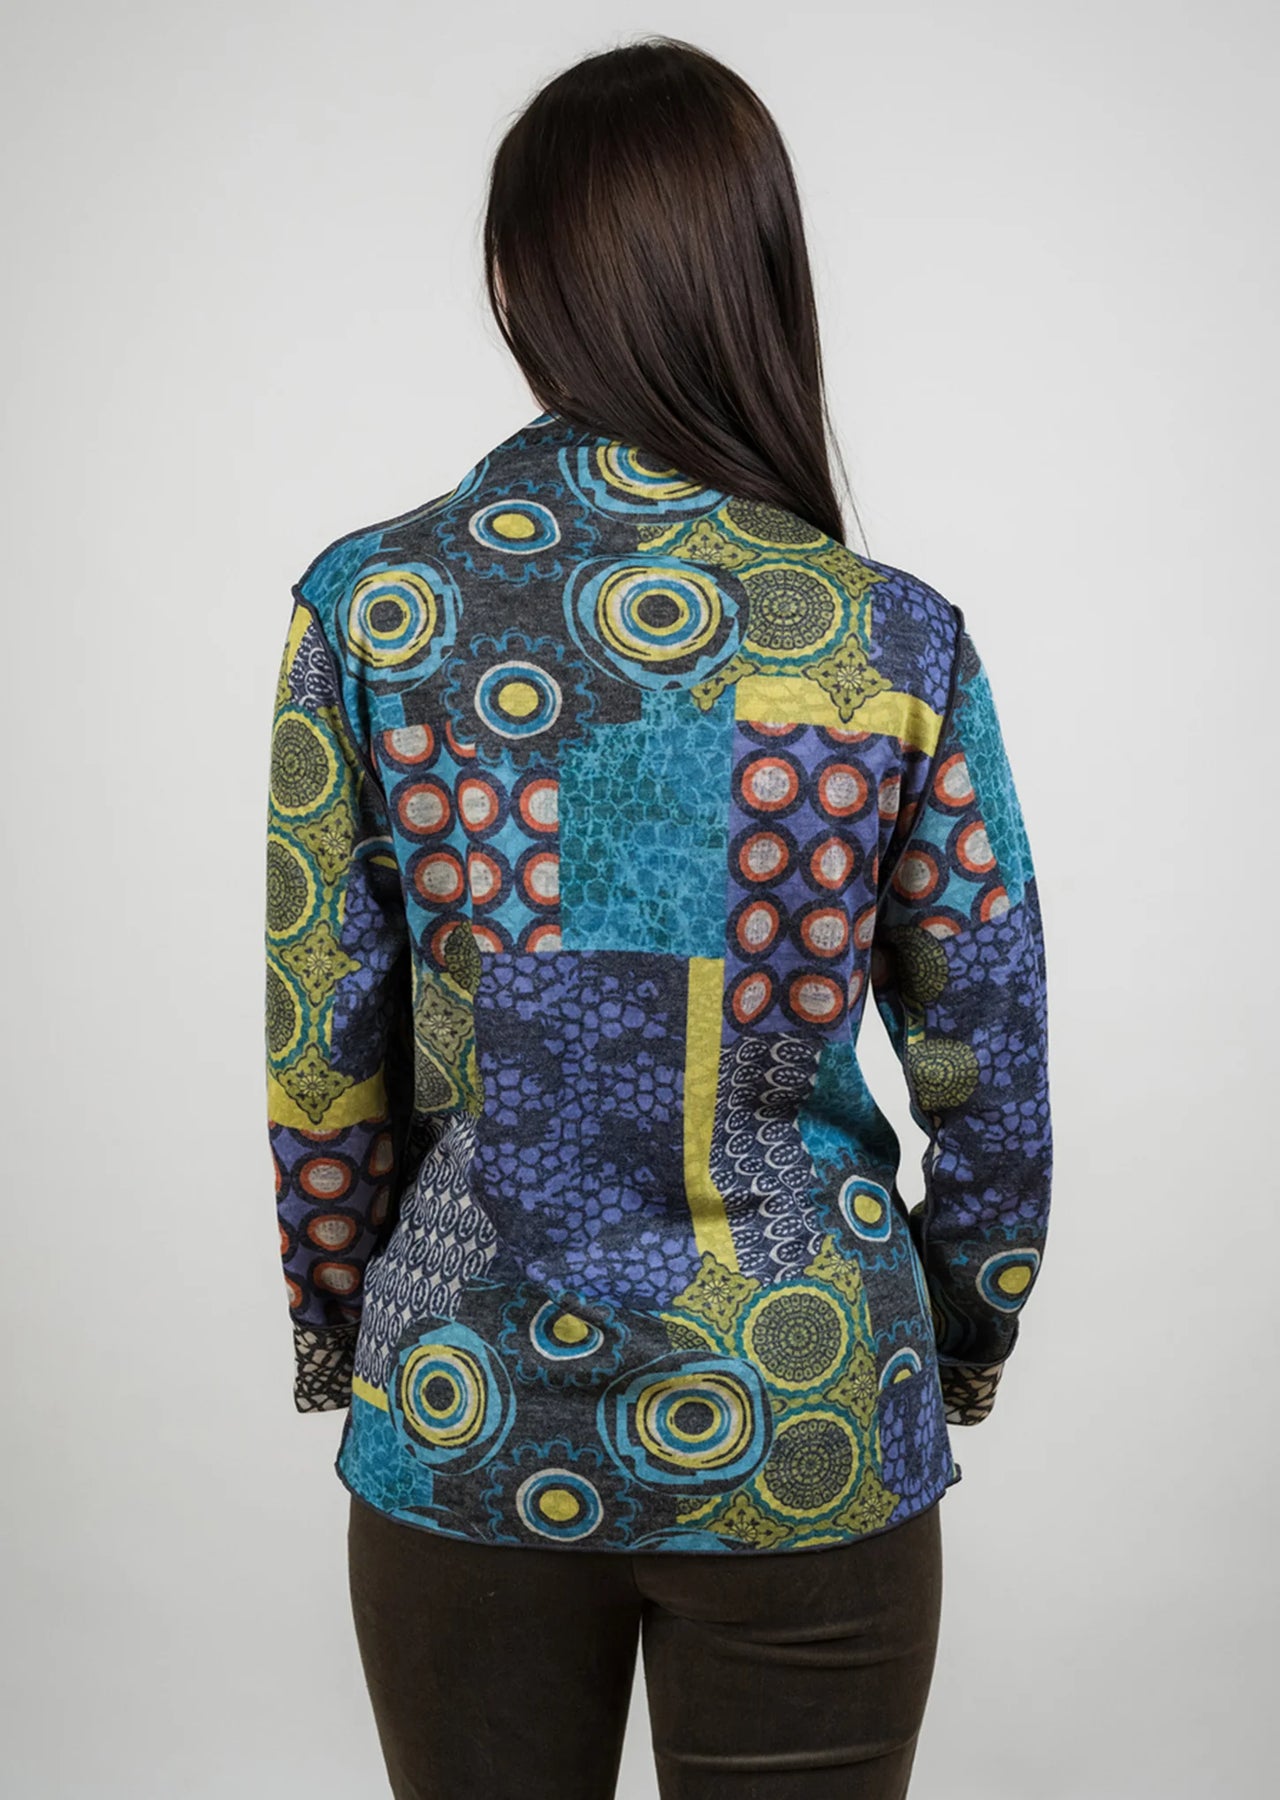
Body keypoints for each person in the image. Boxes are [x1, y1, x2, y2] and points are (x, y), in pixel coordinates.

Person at [263, 34, 1053, 1800]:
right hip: (806, 1409)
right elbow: (990, 1058)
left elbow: (322, 1056)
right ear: (760, 274)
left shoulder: (372, 611)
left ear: (510, 279)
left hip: (463, 1411)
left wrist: (350, 1322)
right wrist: (953, 1330)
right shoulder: (890, 637)